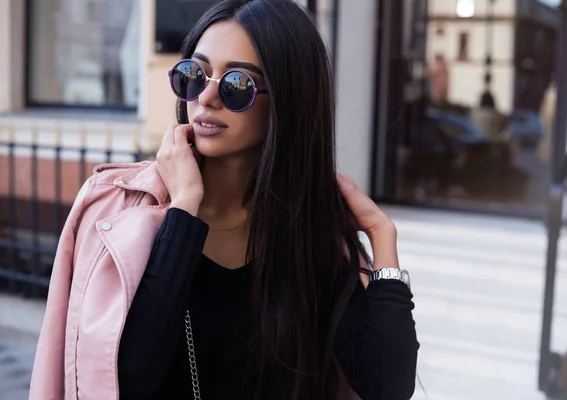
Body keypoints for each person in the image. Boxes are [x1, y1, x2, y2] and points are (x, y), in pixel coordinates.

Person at [29, 1, 418, 399]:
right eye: (195, 75)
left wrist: (381, 235)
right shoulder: (112, 211)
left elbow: (387, 387)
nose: (207, 97)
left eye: (237, 85)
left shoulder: (311, 238)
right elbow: (126, 379)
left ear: (287, 101)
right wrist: (183, 208)